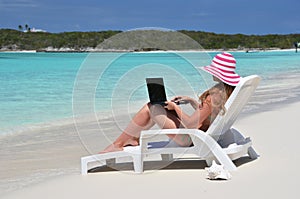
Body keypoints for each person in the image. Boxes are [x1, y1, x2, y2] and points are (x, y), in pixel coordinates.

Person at [100, 52, 241, 153]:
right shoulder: (227, 92)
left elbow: (192, 125)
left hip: (191, 138)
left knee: (152, 107)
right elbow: (207, 115)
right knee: (155, 106)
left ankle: (119, 143)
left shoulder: (214, 95)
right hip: (202, 135)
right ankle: (131, 139)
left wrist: (175, 108)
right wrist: (191, 101)